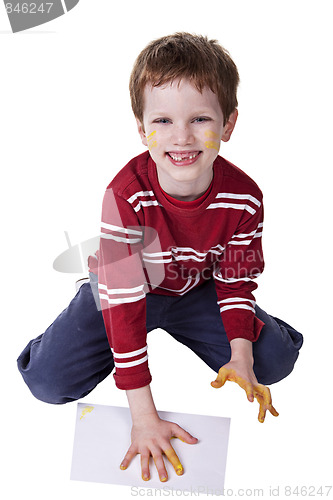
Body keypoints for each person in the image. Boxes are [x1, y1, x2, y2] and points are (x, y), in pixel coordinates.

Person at [17, 32, 303, 483]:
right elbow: (126, 304)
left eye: (201, 119)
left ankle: (256, 334)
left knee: (274, 363)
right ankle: (85, 296)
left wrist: (241, 351)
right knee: (48, 384)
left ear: (228, 125)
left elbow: (235, 276)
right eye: (164, 120)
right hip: (127, 291)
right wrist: (144, 416)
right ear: (141, 127)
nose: (182, 136)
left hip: (196, 288)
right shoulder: (125, 194)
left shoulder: (245, 197)